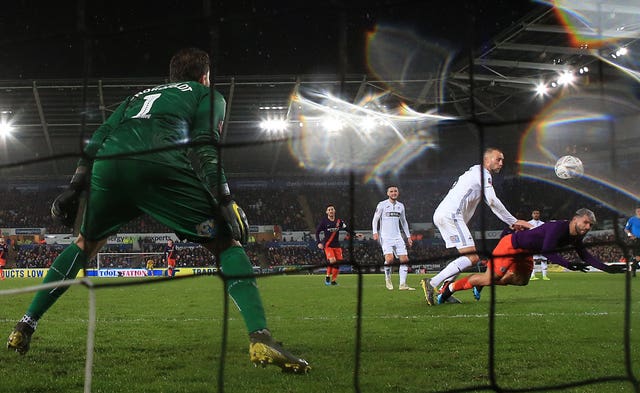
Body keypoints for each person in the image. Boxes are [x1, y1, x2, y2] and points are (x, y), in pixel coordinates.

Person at [6, 48, 309, 373]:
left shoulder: (138, 97)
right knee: (226, 245)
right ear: (205, 76)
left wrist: (73, 188)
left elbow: (97, 139)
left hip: (109, 167)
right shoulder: (207, 94)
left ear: (171, 77)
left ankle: (25, 325)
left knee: (84, 244)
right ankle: (260, 336)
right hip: (159, 164)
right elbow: (205, 145)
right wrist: (224, 198)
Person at [437, 208, 627, 303]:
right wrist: (569, 265)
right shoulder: (558, 228)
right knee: (492, 277)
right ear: (575, 219)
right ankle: (450, 288)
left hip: (525, 252)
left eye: (591, 226)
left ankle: (480, 282)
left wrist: (608, 269)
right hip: (511, 245)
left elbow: (584, 255)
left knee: (521, 281)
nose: (587, 227)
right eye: (586, 223)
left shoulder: (575, 236)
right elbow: (547, 250)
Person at [420, 147, 532, 305]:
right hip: (451, 215)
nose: (501, 163)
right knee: (472, 257)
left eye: (502, 160)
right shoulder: (483, 174)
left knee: (465, 257)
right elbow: (493, 201)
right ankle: (432, 283)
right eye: (497, 159)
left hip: (445, 214)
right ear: (486, 160)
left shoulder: (475, 173)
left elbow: (489, 203)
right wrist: (513, 221)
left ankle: (444, 292)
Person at [372, 185, 415, 291]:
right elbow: (375, 219)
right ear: (388, 193)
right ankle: (388, 278)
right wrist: (375, 232)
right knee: (389, 259)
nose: (393, 193)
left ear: (398, 193)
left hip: (398, 236)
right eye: (391, 191)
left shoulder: (401, 206)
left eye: (395, 191)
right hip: (386, 237)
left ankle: (402, 284)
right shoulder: (382, 205)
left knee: (404, 260)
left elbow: (404, 222)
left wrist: (408, 236)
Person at [315, 204, 362, 286]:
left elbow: (347, 229)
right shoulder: (324, 222)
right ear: (327, 212)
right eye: (329, 210)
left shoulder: (339, 222)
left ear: (334, 211)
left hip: (337, 245)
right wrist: (319, 242)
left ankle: (333, 281)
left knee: (337, 264)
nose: (331, 211)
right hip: (328, 245)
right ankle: (327, 276)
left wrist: (355, 234)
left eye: (332, 209)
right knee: (332, 261)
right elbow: (317, 232)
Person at [527, 209, 550, 281]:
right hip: (533, 243)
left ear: (539, 214)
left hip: (541, 243)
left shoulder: (543, 223)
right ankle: (532, 276)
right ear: (532, 214)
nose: (536, 215)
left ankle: (544, 276)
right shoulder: (528, 223)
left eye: (537, 213)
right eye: (534, 213)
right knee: (533, 259)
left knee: (544, 259)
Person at [624, 207, 640, 277]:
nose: (639, 212)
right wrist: (630, 235)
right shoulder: (632, 219)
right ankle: (633, 269)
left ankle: (633, 267)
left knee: (638, 257)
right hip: (636, 240)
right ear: (636, 212)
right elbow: (626, 229)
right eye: (638, 211)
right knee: (638, 257)